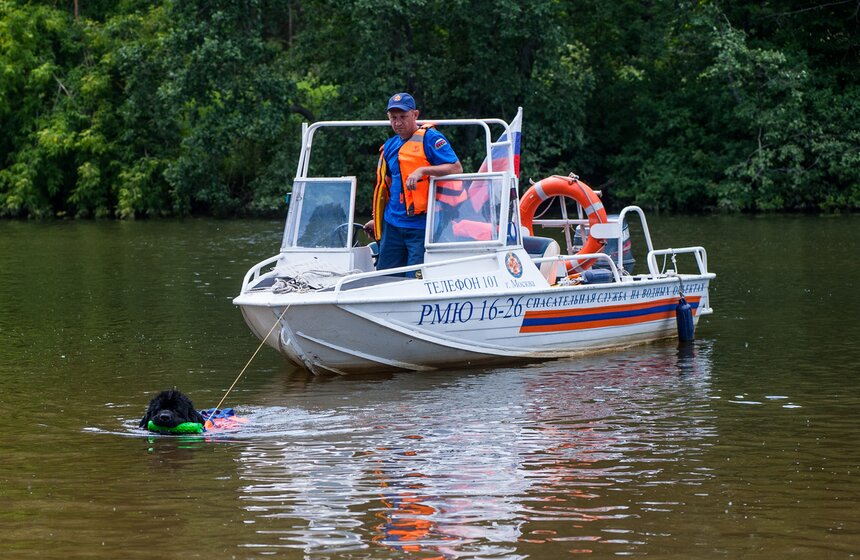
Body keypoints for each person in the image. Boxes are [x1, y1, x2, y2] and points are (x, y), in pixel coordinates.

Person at [366, 93, 463, 276]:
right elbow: (387, 187)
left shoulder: (431, 138)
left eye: (403, 117)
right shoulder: (389, 146)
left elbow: (456, 168)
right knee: (383, 279)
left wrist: (422, 171)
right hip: (392, 223)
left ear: (415, 115)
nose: (398, 123)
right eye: (393, 118)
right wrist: (376, 219)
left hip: (421, 227)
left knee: (416, 280)